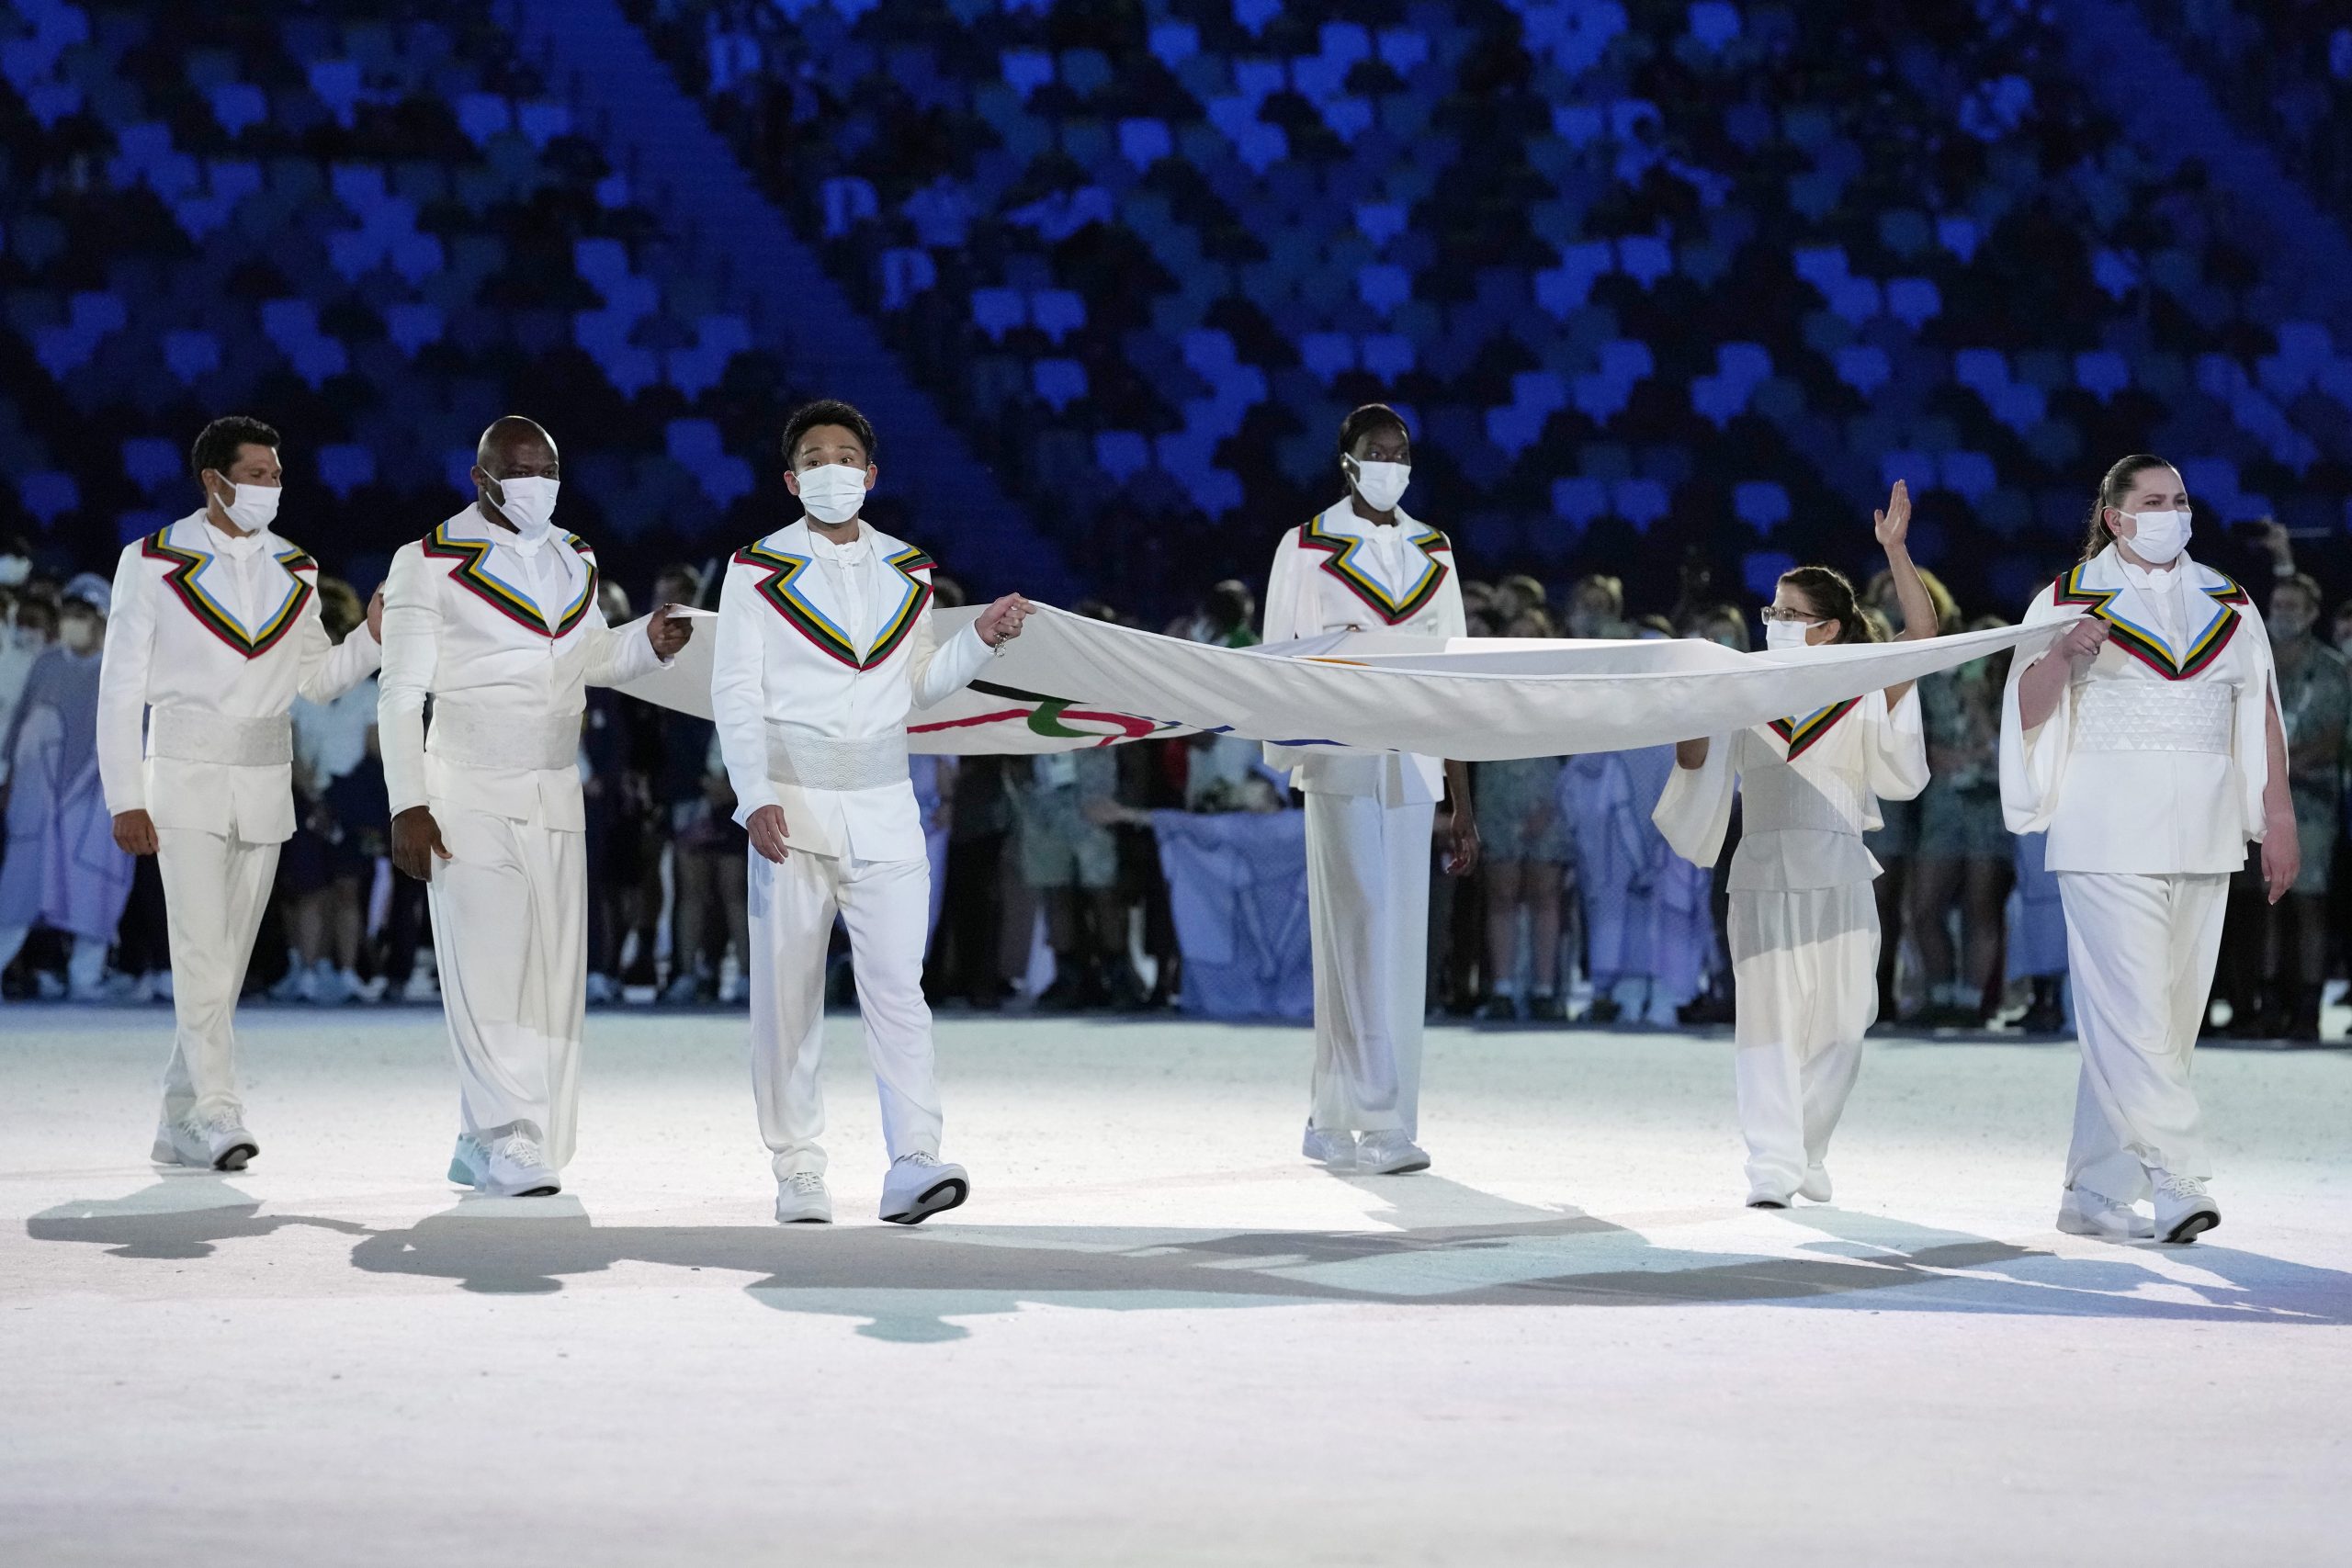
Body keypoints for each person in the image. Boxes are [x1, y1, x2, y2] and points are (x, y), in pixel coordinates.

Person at [710, 399, 1032, 1225]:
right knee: (789, 996)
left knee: (899, 989)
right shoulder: (754, 569)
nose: (832, 469)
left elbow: (916, 684)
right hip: (794, 808)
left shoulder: (911, 569)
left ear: (871, 473)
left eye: (846, 456)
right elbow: (736, 695)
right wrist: (755, 797)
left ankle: (914, 1160)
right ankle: (798, 1164)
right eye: (814, 457)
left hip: (888, 804)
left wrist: (982, 641)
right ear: (791, 479)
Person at [380, 415, 691, 1198]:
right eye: (519, 468)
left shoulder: (573, 555)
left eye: (548, 468)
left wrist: (647, 642)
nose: (536, 482)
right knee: (489, 965)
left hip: (555, 789)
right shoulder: (427, 562)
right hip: (466, 789)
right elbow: (400, 693)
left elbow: (590, 659)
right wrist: (408, 802)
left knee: (549, 974)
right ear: (479, 475)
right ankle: (507, 1133)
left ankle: (482, 1135)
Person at [2001, 455, 2297, 1244]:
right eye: (2155, 501)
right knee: (2132, 1013)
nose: (2173, 511)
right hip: (2105, 827)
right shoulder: (2066, 598)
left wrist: (2278, 813)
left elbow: (2256, 704)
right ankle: (2177, 1176)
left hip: (2202, 827)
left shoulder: (2226, 599)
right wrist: (2064, 655)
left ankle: (2095, 1192)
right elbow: (2023, 711)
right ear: (2115, 517)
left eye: (2182, 499)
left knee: (2164, 1020)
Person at [91, 417, 385, 1167]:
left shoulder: (299, 568)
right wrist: (125, 794)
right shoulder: (152, 561)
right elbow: (120, 690)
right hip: (180, 779)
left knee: (225, 960)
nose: (270, 486)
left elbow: (315, 679)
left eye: (276, 474)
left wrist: (374, 638)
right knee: (198, 950)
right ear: (212, 481)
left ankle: (177, 1116)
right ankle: (219, 1112)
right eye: (255, 473)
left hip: (260, 783)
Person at [1656, 482, 1933, 1208]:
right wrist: (1688, 702)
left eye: (1790, 614)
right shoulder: (1741, 686)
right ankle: (1772, 1167)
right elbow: (1694, 765)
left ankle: (1806, 1148)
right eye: (1770, 610)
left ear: (1831, 630)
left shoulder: (1861, 686)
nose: (1774, 622)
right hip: (1764, 871)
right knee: (1768, 1023)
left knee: (1844, 1024)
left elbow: (1925, 639)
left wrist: (1896, 552)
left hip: (1840, 869)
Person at [1261, 403, 1477, 1176]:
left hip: (1414, 760)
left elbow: (1455, 673)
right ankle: (1378, 1122)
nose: (1390, 461)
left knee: (1395, 941)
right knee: (1357, 927)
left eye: (1400, 451)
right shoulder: (1307, 545)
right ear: (1346, 460)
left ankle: (1335, 1114)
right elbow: (1280, 657)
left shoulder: (1435, 548)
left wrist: (1462, 798)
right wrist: (1300, 743)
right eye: (1375, 450)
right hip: (1340, 755)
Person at [2219, 570, 2344, 1039]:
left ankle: (2308, 1010)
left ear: (2312, 615)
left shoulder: (2330, 668)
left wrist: (2271, 774)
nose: (2283, 615)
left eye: (2294, 608)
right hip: (2251, 805)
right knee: (2261, 904)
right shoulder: (2251, 659)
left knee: (2306, 903)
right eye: (2278, 606)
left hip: (2307, 804)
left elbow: (2330, 740)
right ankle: (2263, 1003)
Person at [1, 576, 130, 1001]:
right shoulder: (48, 664)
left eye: (83, 617)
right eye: (69, 616)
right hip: (40, 801)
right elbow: (21, 725)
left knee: (94, 884)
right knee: (21, 887)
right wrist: (10, 781)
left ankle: (85, 977)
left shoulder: (123, 669)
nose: (73, 624)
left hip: (95, 802)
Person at [278, 576, 384, 1005]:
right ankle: (305, 971)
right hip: (305, 796)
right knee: (307, 889)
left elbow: (377, 750)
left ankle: (345, 973)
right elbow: (288, 749)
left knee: (347, 889)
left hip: (352, 801)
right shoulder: (295, 689)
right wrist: (314, 797)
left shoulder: (370, 692)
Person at [1476, 605, 1568, 1021]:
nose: (1522, 640)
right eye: (1515, 632)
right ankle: (1502, 988)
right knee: (1502, 891)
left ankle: (1545, 989)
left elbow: (1571, 748)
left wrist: (1552, 803)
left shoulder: (1560, 687)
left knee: (1545, 892)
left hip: (1544, 789)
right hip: (1497, 788)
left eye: (1532, 633)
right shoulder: (1485, 684)